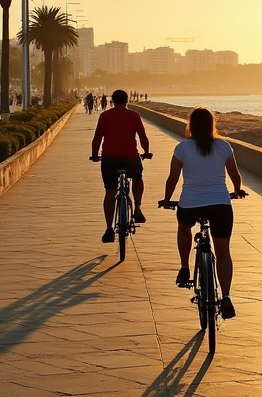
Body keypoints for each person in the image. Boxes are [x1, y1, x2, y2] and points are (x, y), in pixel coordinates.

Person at [158, 107, 245, 319]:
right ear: (212, 125)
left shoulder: (182, 148)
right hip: (220, 206)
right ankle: (225, 297)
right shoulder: (224, 146)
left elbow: (173, 179)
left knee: (184, 228)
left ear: (191, 126)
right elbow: (235, 175)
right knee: (223, 252)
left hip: (190, 204)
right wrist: (237, 191)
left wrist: (168, 200)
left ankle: (184, 267)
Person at [90, 89, 152, 243]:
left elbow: (97, 138)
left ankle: (109, 229)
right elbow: (143, 137)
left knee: (110, 192)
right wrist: (146, 152)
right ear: (127, 100)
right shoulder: (134, 115)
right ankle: (137, 208)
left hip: (109, 159)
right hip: (130, 158)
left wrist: (95, 155)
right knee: (137, 177)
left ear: (113, 100)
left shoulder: (105, 116)